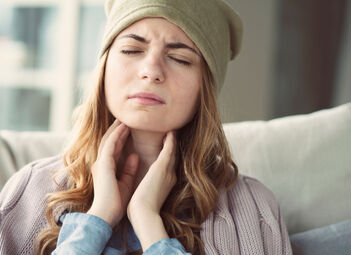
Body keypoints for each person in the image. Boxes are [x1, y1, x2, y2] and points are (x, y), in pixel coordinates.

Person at [0, 0, 293, 254]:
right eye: (130, 50)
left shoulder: (253, 209)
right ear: (104, 68)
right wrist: (98, 219)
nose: (151, 70)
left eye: (179, 58)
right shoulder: (30, 191)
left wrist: (148, 221)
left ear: (205, 90)